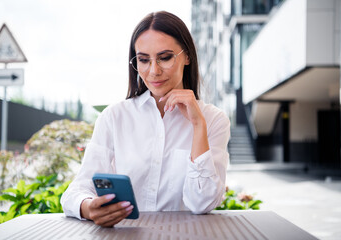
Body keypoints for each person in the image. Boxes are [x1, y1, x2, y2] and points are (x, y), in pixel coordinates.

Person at [61, 11, 230, 227]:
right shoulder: (114, 117)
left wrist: (198, 125)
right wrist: (88, 207)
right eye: (143, 60)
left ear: (187, 56)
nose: (153, 71)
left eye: (165, 57)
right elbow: (75, 192)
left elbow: (203, 203)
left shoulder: (213, 120)